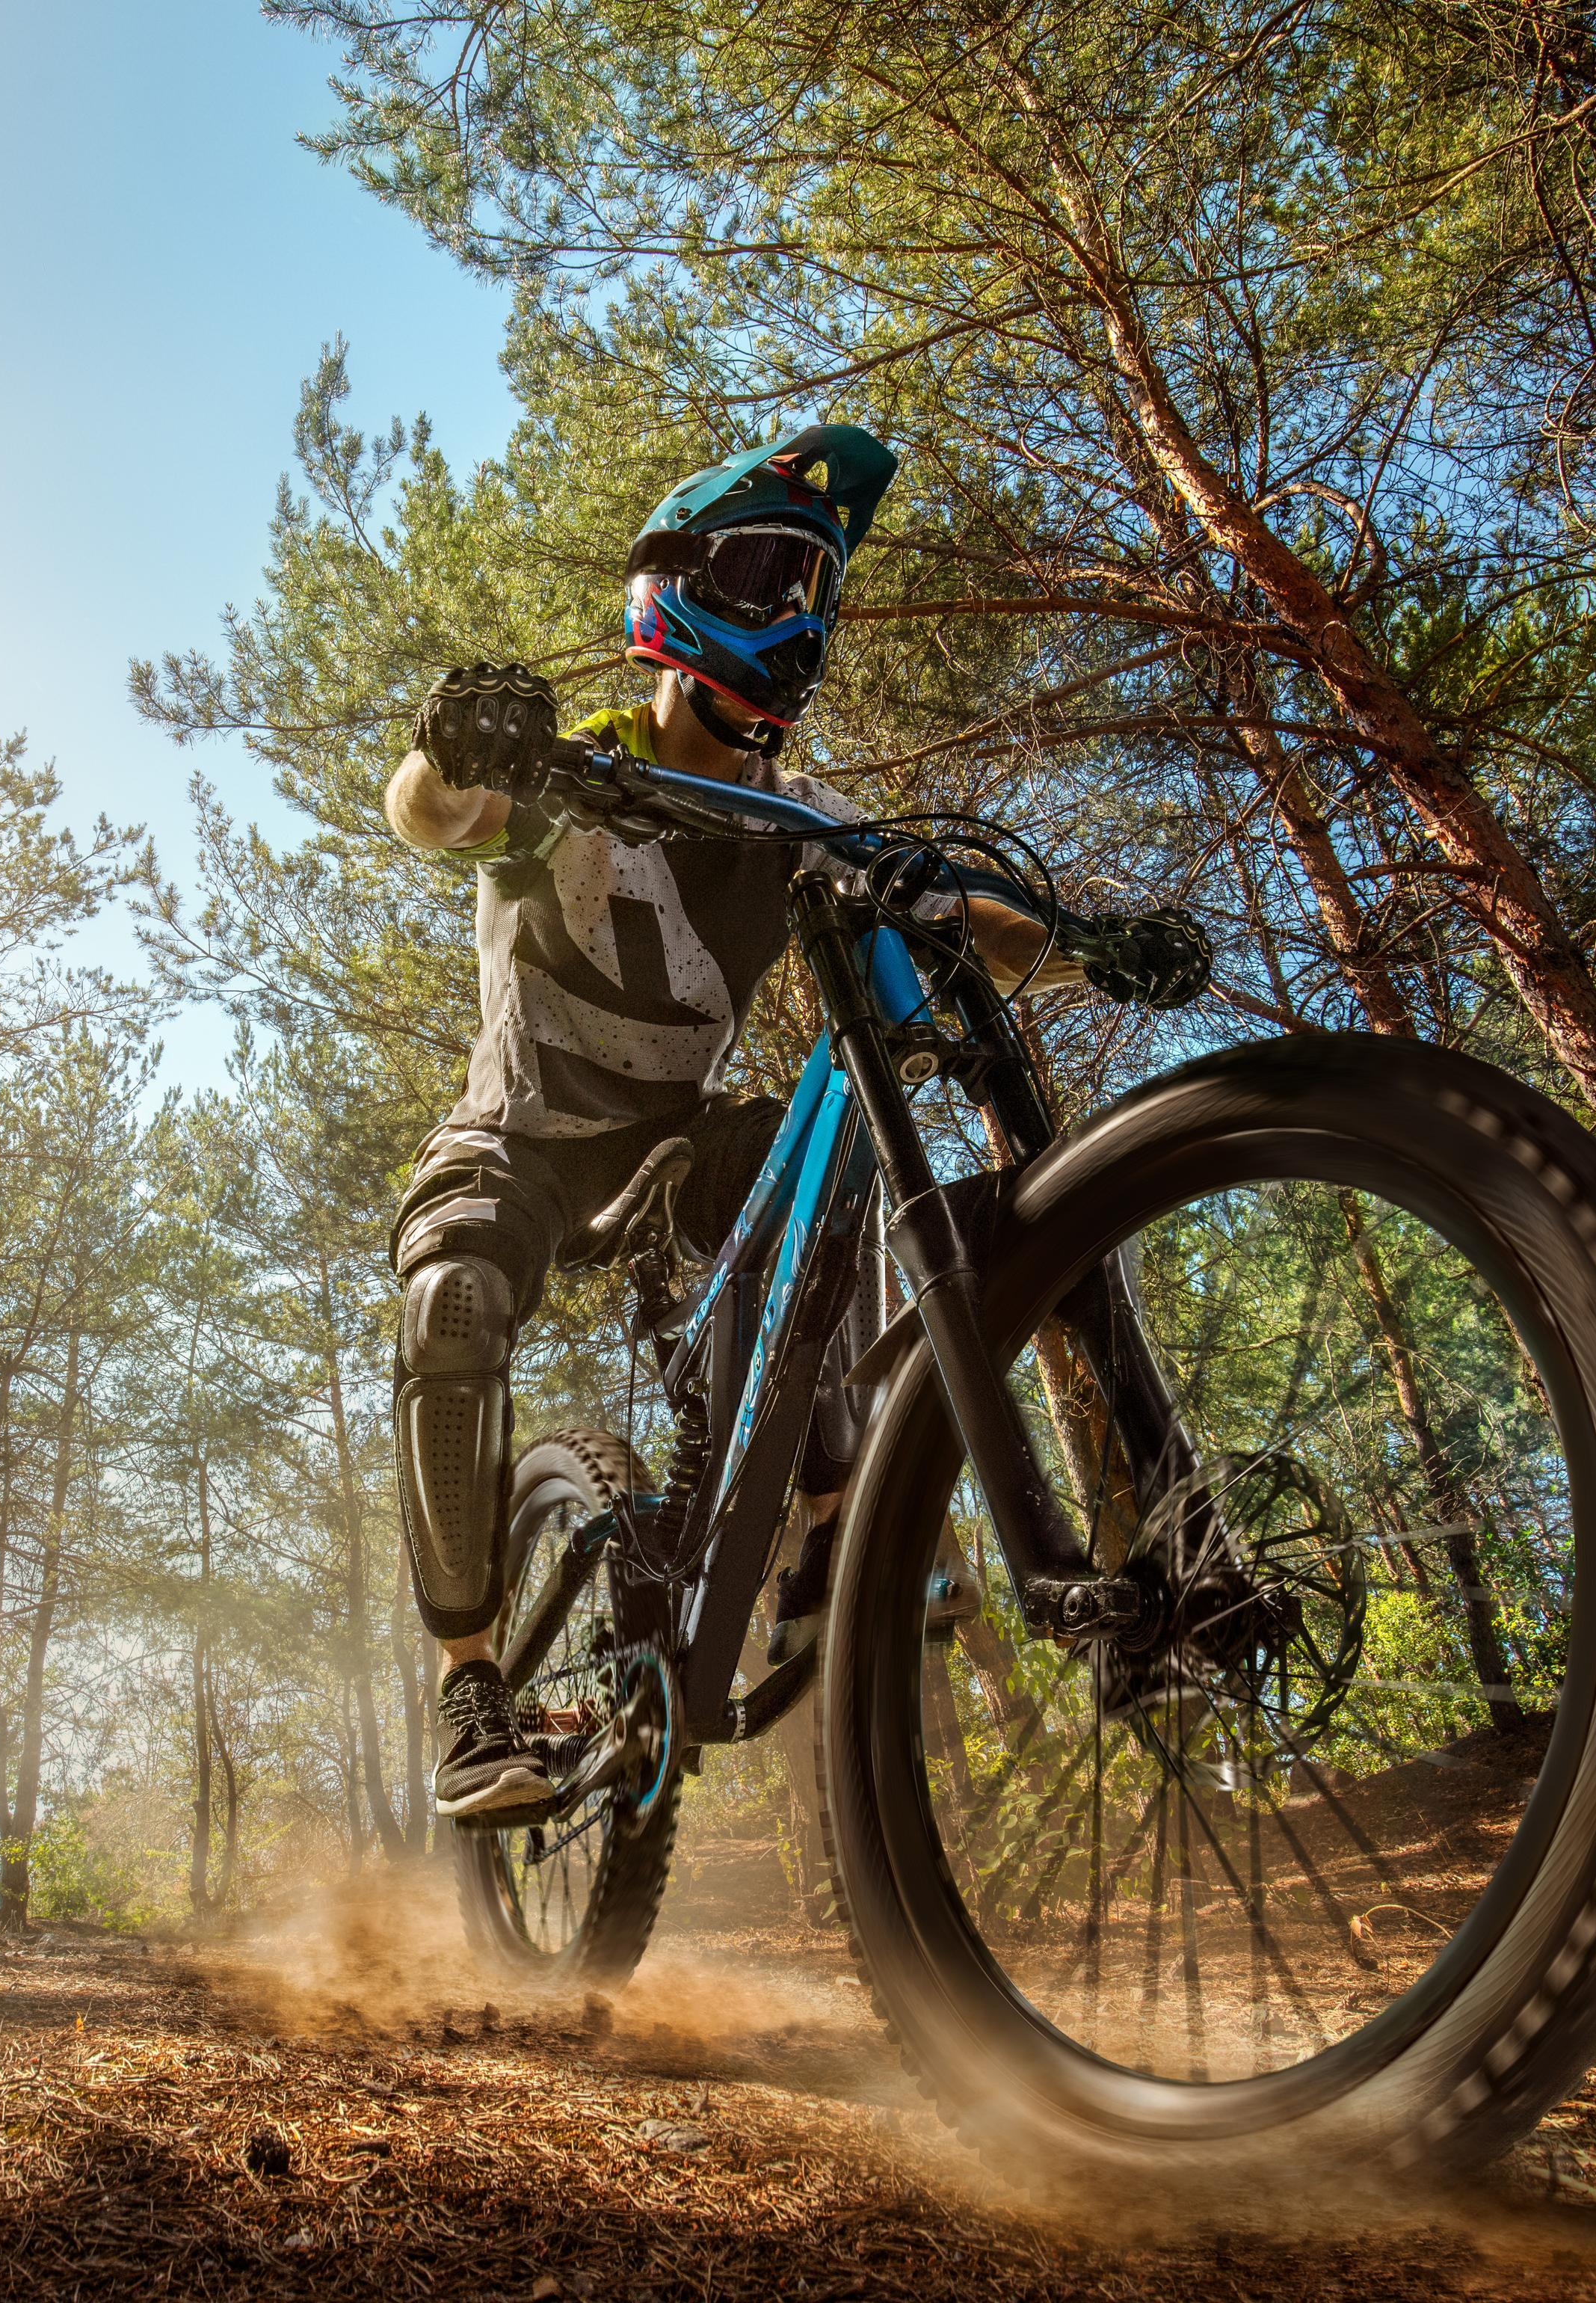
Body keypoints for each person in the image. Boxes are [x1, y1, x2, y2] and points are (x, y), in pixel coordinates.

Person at [384, 422, 1083, 1819]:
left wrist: (1088, 943)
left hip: (668, 1147)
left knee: (832, 1164)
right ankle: (472, 1689)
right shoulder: (569, 769)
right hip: (515, 1141)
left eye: (817, 590)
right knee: (455, 1302)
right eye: (769, 572)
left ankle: (830, 1531)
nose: (800, 616)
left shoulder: (799, 813)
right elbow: (436, 815)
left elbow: (968, 923)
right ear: (674, 591)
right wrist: (449, 746)